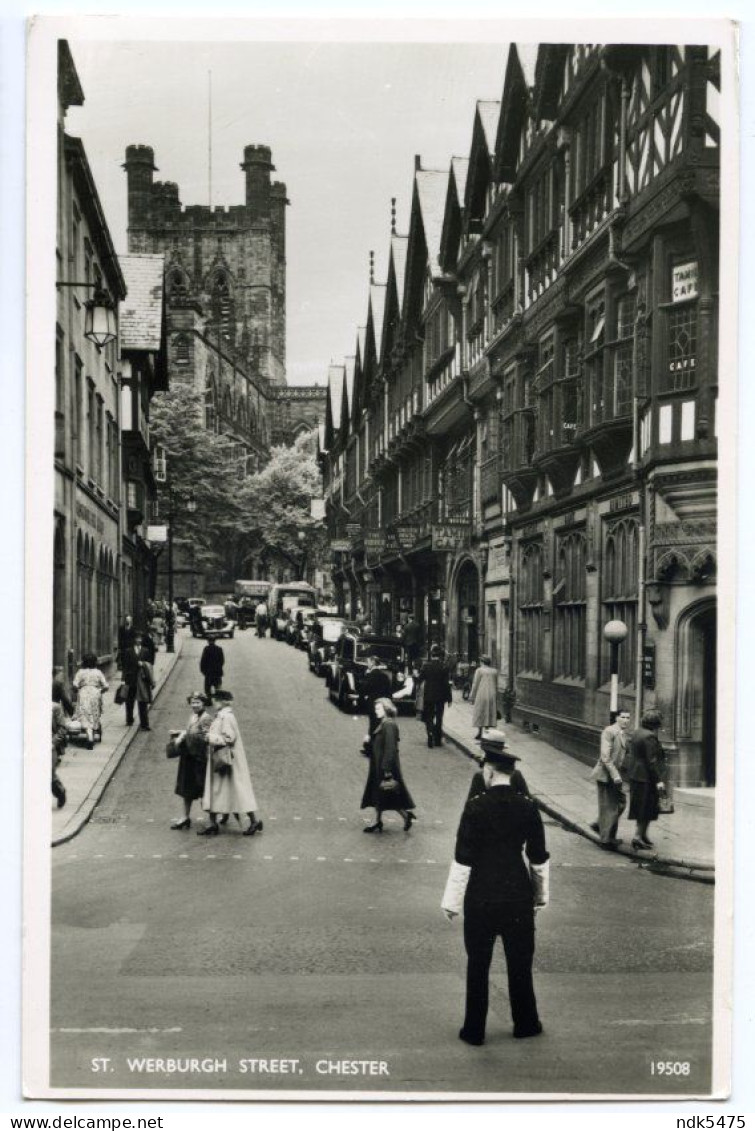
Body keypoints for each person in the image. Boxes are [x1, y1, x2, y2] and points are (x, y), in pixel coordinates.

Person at [441, 730, 549, 1045]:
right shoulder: (527, 806)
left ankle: (474, 1030)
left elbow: (463, 858)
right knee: (520, 963)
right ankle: (526, 1023)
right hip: (517, 893)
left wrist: (452, 902)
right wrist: (540, 898)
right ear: (512, 774)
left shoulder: (475, 806)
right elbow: (538, 857)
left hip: (481, 896)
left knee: (478, 963)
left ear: (489, 771)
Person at [198, 692, 263, 837]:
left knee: (234, 790)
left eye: (215, 701)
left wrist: (209, 737)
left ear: (223, 702)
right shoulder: (223, 715)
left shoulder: (226, 716)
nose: (213, 704)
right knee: (219, 789)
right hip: (223, 759)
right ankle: (213, 822)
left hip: (226, 760)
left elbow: (229, 738)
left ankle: (253, 821)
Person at [360, 698, 417, 834]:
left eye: (379, 709)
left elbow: (390, 748)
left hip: (385, 766)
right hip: (379, 765)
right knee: (382, 793)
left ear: (386, 709)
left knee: (387, 793)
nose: (376, 711)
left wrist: (386, 769)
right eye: (376, 708)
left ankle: (401, 816)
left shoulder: (389, 724)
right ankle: (381, 820)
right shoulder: (384, 723)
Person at [626, 708, 668, 851]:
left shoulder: (637, 732)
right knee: (646, 807)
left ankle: (643, 835)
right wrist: (659, 780)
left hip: (636, 775)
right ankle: (637, 837)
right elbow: (652, 760)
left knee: (644, 806)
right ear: (655, 723)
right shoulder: (649, 736)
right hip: (646, 777)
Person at [169, 692, 212, 830]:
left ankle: (212, 820)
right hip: (189, 758)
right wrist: (181, 733)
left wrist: (184, 737)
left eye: (197, 702)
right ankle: (185, 817)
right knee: (186, 789)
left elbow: (207, 737)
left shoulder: (206, 718)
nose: (194, 705)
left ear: (203, 703)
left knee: (203, 789)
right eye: (192, 702)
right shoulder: (193, 716)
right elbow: (191, 731)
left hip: (200, 759)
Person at [589, 708, 631, 849]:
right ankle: (606, 840)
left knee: (619, 803)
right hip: (606, 775)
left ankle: (600, 826)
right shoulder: (609, 731)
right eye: (623, 717)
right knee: (611, 806)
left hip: (615, 776)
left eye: (628, 718)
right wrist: (616, 775)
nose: (626, 720)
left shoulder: (622, 733)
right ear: (616, 718)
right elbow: (605, 757)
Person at [71, 653, 109, 748]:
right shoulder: (98, 672)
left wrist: (78, 690)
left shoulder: (80, 672)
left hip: (83, 693)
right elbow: (106, 686)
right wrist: (100, 691)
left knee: (84, 713)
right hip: (95, 693)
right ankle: (93, 730)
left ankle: (89, 734)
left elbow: (75, 685)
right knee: (94, 712)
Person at [418, 645, 452, 748]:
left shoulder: (426, 666)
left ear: (431, 654)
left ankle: (430, 733)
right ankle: (437, 740)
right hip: (441, 697)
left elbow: (420, 679)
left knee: (429, 716)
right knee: (439, 717)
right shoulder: (444, 667)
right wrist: (449, 699)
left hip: (428, 696)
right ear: (440, 655)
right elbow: (447, 684)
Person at [361, 650, 392, 742]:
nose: (367, 664)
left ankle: (371, 747)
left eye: (368, 662)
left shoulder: (370, 676)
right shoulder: (385, 676)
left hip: (372, 704)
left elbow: (364, 689)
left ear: (373, 663)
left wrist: (361, 700)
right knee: (380, 724)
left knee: (372, 725)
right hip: (383, 704)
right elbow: (388, 692)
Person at [469, 654, 499, 740]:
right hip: (491, 694)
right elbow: (496, 684)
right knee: (489, 711)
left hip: (481, 694)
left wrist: (472, 696)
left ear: (482, 662)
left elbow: (475, 684)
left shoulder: (479, 670)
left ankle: (480, 732)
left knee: (480, 711)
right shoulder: (494, 671)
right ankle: (487, 732)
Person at [51, 701, 68, 809]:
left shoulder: (55, 708)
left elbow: (62, 728)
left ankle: (60, 792)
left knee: (48, 774)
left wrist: (53, 742)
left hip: (49, 745)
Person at [135, 645, 156, 731]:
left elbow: (149, 668)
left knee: (142, 703)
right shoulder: (128, 650)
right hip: (136, 682)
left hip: (141, 682)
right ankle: (133, 721)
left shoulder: (145, 652)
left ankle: (144, 724)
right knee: (135, 702)